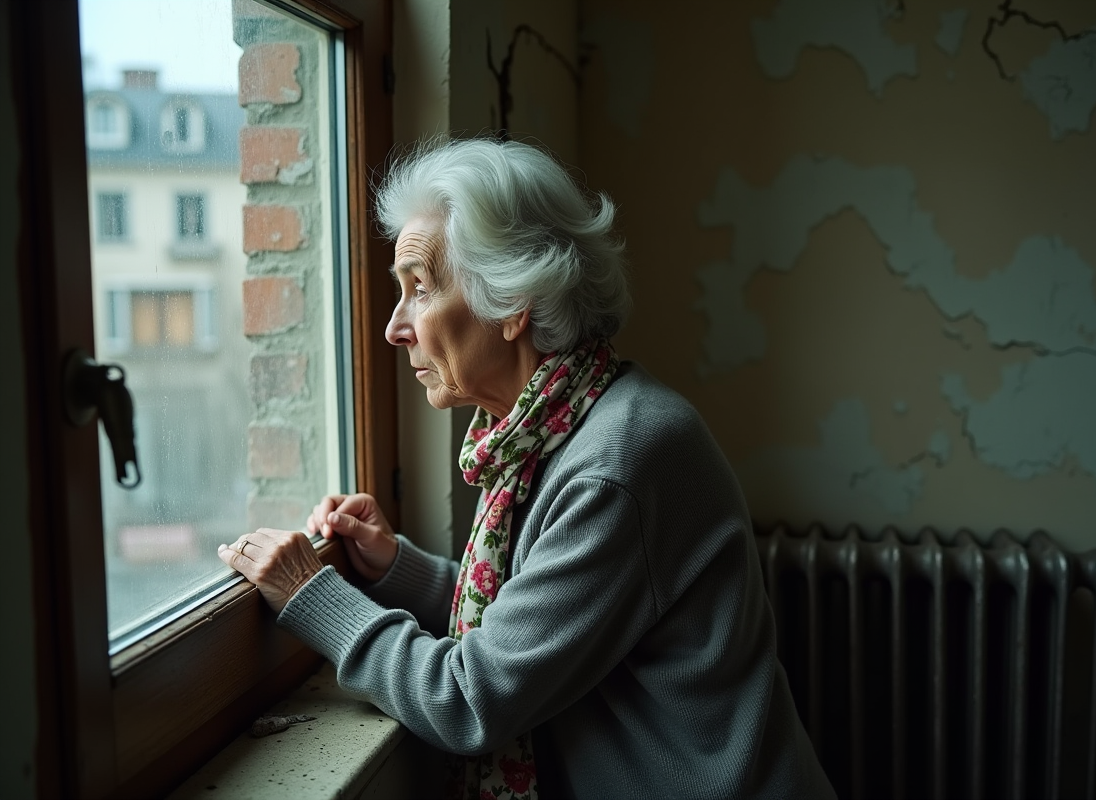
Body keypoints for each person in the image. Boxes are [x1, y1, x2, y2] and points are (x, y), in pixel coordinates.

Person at [218, 137, 834, 800]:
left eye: (419, 290)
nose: (397, 328)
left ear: (513, 301)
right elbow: (541, 627)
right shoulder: (551, 426)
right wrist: (397, 568)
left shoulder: (617, 463)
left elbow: (469, 700)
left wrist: (313, 594)